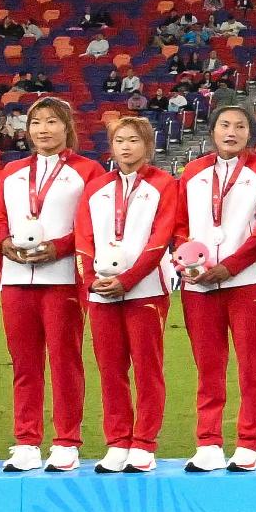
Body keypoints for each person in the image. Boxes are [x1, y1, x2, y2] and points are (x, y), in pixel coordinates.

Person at [174, 101, 256, 472]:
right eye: (225, 125)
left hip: (247, 281)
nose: (232, 132)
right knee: (208, 367)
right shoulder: (193, 171)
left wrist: (230, 267)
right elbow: (180, 225)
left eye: (240, 126)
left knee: (252, 366)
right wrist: (186, 262)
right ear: (212, 131)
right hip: (198, 284)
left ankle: (249, 444)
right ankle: (208, 442)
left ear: (249, 133)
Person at [0, 96, 92, 472]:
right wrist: (3, 243)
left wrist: (58, 248)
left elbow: (91, 224)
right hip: (16, 280)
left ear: (67, 127)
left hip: (62, 279)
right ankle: (26, 441)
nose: (43, 130)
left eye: (52, 122)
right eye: (36, 123)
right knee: (24, 364)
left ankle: (67, 441)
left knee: (65, 362)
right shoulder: (12, 171)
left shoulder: (87, 170)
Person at [76, 112, 180, 474]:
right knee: (110, 370)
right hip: (101, 292)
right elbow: (84, 237)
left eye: (134, 140)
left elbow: (161, 238)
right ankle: (118, 441)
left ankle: (144, 444)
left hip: (146, 289)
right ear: (111, 147)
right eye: (119, 141)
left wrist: (130, 278)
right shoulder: (95, 187)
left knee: (147, 369)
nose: (126, 147)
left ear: (148, 146)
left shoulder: (165, 185)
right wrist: (90, 279)